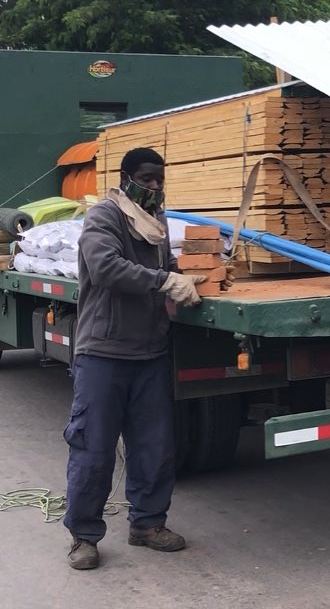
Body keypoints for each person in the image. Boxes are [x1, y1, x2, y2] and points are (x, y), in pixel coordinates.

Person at [64, 147, 207, 569]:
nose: (155, 188)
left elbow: (167, 265)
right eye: (147, 180)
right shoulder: (104, 217)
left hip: (149, 351)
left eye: (160, 181)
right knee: (93, 448)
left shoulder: (156, 222)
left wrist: (192, 273)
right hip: (104, 352)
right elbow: (106, 267)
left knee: (154, 446)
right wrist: (166, 281)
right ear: (126, 177)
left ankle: (147, 524)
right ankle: (84, 537)